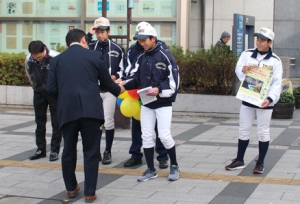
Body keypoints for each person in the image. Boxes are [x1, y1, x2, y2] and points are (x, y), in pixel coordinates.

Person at [47, 28, 125, 202]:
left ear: (68, 44)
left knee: (68, 150)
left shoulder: (57, 61)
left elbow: (50, 89)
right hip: (91, 110)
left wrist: (64, 99)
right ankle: (90, 192)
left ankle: (71, 187)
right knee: (90, 151)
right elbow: (107, 84)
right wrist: (120, 88)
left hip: (67, 111)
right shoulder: (95, 57)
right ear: (83, 40)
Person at [120, 23, 180, 182]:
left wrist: (159, 89)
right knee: (146, 136)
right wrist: (123, 83)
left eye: (144, 40)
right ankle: (150, 169)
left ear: (153, 38)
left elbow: (174, 83)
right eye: (139, 40)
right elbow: (135, 77)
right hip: (146, 102)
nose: (142, 43)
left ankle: (174, 165)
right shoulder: (141, 57)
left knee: (164, 135)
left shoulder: (167, 56)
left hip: (163, 103)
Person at [225, 27, 283, 174]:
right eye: (258, 39)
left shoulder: (275, 61)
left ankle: (260, 163)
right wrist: (243, 70)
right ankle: (239, 160)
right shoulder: (247, 54)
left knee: (263, 131)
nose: (259, 42)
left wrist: (270, 99)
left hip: (265, 102)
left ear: (270, 42)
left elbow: (277, 83)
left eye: (262, 40)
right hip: (248, 97)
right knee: (243, 129)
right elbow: (238, 70)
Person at [87, 16, 125, 165]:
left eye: (102, 31)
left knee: (108, 121)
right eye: (97, 32)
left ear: (109, 31)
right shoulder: (90, 46)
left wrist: (116, 75)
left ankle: (107, 151)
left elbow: (125, 69)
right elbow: (77, 49)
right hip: (93, 90)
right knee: (95, 122)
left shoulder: (117, 49)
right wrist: (89, 34)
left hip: (109, 89)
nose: (100, 35)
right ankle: (95, 151)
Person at [25, 40, 62, 162]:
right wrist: (35, 86)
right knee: (39, 122)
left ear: (44, 50)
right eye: (35, 57)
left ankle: (54, 151)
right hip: (39, 92)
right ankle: (40, 149)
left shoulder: (56, 57)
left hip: (54, 93)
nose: (37, 59)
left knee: (56, 123)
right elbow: (29, 74)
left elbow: (63, 75)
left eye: (39, 57)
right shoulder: (29, 59)